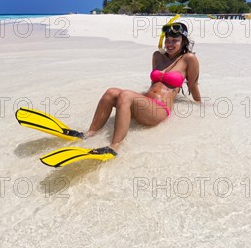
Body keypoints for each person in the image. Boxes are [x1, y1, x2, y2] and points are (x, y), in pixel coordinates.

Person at [86, 22, 201, 153]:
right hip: (145, 105)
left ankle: (114, 147)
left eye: (175, 40)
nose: (170, 44)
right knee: (111, 92)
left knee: (126, 95)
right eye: (167, 40)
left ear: (184, 41)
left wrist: (200, 104)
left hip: (160, 109)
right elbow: (154, 83)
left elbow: (193, 85)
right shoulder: (157, 56)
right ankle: (89, 134)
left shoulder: (189, 59)